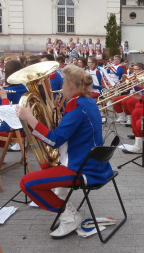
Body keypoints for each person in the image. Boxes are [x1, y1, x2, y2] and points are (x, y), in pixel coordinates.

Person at [17, 65, 113, 239]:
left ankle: (70, 218)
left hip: (81, 168)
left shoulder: (77, 107)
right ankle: (61, 200)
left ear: (70, 86)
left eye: (63, 84)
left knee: (26, 183)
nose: (60, 88)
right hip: (94, 163)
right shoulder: (87, 101)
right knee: (46, 170)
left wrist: (29, 118)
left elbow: (55, 141)